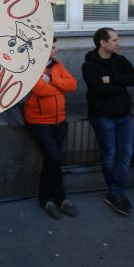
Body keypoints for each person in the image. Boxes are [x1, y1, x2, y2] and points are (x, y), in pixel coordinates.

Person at [82, 28, 134, 216]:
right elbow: (98, 89)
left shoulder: (120, 61)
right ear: (103, 43)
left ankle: (115, 192)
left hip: (124, 115)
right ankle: (117, 192)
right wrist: (121, 85)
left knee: (126, 153)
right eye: (115, 40)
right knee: (109, 154)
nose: (118, 43)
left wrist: (113, 79)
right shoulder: (89, 65)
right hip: (103, 116)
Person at [23, 37, 78, 220]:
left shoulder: (56, 65)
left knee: (51, 160)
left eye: (55, 47)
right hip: (39, 122)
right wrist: (60, 87)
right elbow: (40, 90)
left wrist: (52, 79)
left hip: (59, 121)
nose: (56, 50)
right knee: (54, 158)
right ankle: (60, 198)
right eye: (53, 47)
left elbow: (73, 84)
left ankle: (46, 199)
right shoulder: (30, 65)